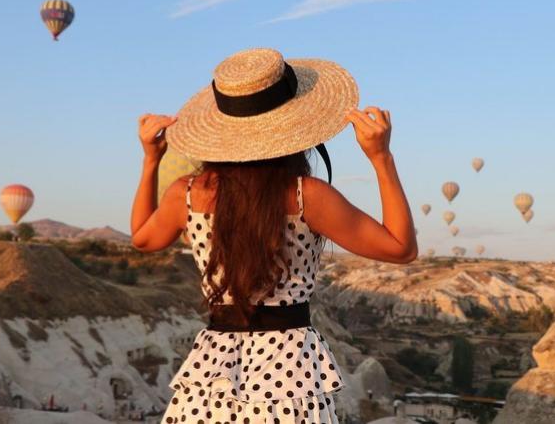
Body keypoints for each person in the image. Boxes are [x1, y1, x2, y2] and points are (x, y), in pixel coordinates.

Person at [131, 48, 417, 423]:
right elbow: (401, 248)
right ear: (293, 126)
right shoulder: (306, 196)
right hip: (288, 373)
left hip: (214, 370)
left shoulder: (185, 194)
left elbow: (142, 238)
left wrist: (151, 159)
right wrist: (382, 158)